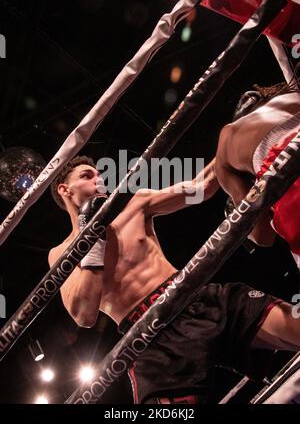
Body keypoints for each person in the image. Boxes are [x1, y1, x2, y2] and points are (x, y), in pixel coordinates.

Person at [49, 155, 300, 404]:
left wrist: (234, 143)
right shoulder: (61, 254)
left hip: (194, 298)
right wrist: (92, 242)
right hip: (149, 338)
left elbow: (200, 188)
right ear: (65, 189)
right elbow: (84, 315)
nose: (99, 179)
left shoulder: (135, 205)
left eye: (99, 173)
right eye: (87, 175)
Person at [215, 80, 300, 268]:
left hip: (293, 192)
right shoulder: (291, 92)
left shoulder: (227, 136)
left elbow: (263, 236)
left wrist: (259, 193)